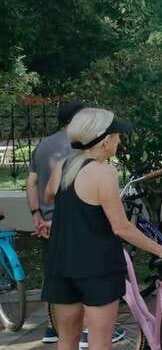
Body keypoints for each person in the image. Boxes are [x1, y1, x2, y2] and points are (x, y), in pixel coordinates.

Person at [41, 108, 162, 350]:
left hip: (61, 263)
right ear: (106, 140)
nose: (119, 140)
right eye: (117, 135)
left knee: (67, 339)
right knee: (99, 342)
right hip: (97, 267)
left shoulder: (63, 166)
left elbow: (49, 196)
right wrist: (160, 248)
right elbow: (121, 227)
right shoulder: (103, 172)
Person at [25, 101, 90, 345]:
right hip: (73, 221)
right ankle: (84, 331)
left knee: (54, 274)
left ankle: (52, 329)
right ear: (76, 119)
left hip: (47, 222)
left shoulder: (43, 145)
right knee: (82, 272)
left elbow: (31, 182)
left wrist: (36, 214)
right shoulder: (78, 146)